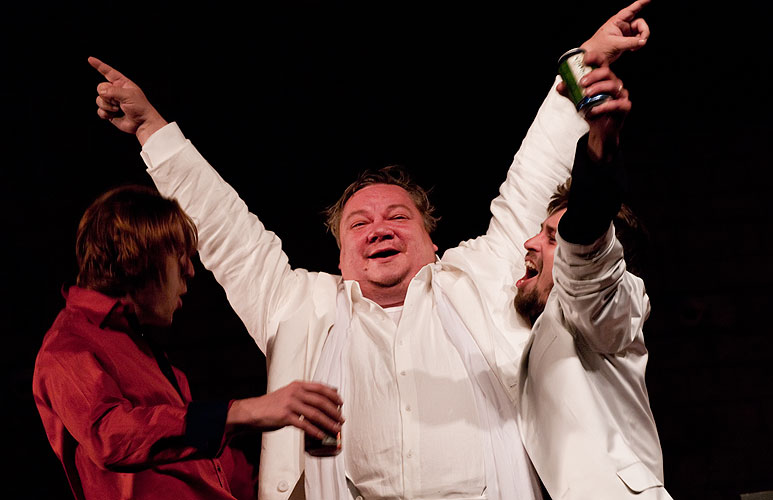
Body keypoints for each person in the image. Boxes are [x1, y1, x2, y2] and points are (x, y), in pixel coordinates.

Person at [89, 4, 650, 499]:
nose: (378, 229)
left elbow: (536, 171)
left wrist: (585, 63)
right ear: (339, 254)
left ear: (434, 243)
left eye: (398, 217)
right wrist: (149, 128)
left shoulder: (482, 276)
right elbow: (227, 232)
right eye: (359, 223)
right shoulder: (298, 307)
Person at [32, 185, 344, 500]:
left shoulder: (145, 352)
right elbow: (109, 435)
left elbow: (208, 471)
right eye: (179, 255)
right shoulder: (68, 346)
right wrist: (244, 412)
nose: (190, 271)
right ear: (134, 257)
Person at [512, 52, 672, 498]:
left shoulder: (611, 309)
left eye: (550, 237)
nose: (528, 244)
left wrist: (599, 150)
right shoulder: (546, 329)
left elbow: (587, 255)